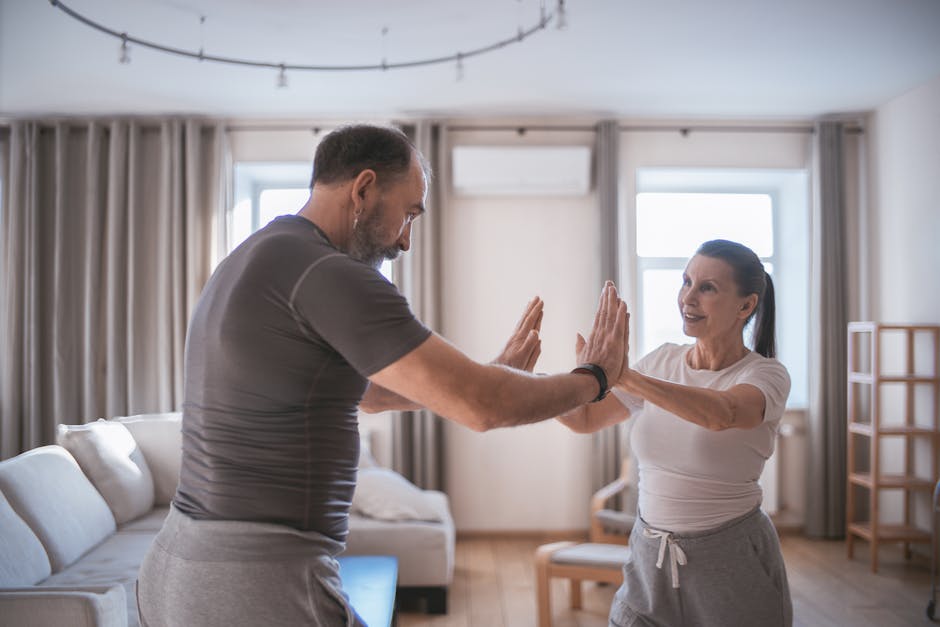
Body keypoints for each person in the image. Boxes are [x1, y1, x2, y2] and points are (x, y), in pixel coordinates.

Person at [137, 124, 629, 627]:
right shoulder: (328, 272)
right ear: (364, 188)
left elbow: (369, 392)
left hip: (181, 565)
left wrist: (485, 375)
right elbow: (485, 408)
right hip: (252, 579)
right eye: (409, 213)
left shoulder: (253, 256)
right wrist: (595, 377)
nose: (407, 241)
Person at [558, 239, 792, 627]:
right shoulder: (662, 360)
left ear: (746, 305)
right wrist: (521, 384)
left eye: (707, 287)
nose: (688, 297)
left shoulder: (765, 375)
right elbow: (585, 420)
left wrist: (625, 376)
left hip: (730, 557)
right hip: (649, 556)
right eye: (686, 282)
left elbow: (723, 412)